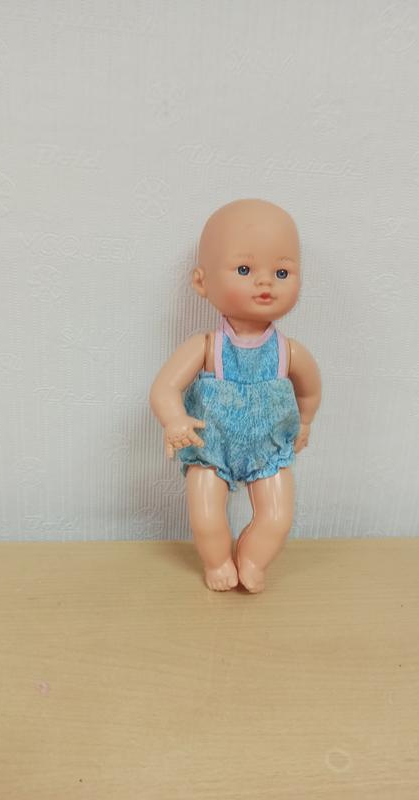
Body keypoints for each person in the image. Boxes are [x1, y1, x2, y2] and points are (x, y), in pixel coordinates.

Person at [149, 198, 321, 593]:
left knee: (277, 516)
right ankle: (217, 562)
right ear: (201, 282)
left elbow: (310, 388)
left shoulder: (289, 352)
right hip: (211, 445)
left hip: (268, 448)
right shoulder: (207, 347)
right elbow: (165, 387)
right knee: (206, 515)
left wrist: (305, 421)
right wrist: (174, 419)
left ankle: (253, 559)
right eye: (245, 270)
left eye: (281, 272)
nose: (265, 283)